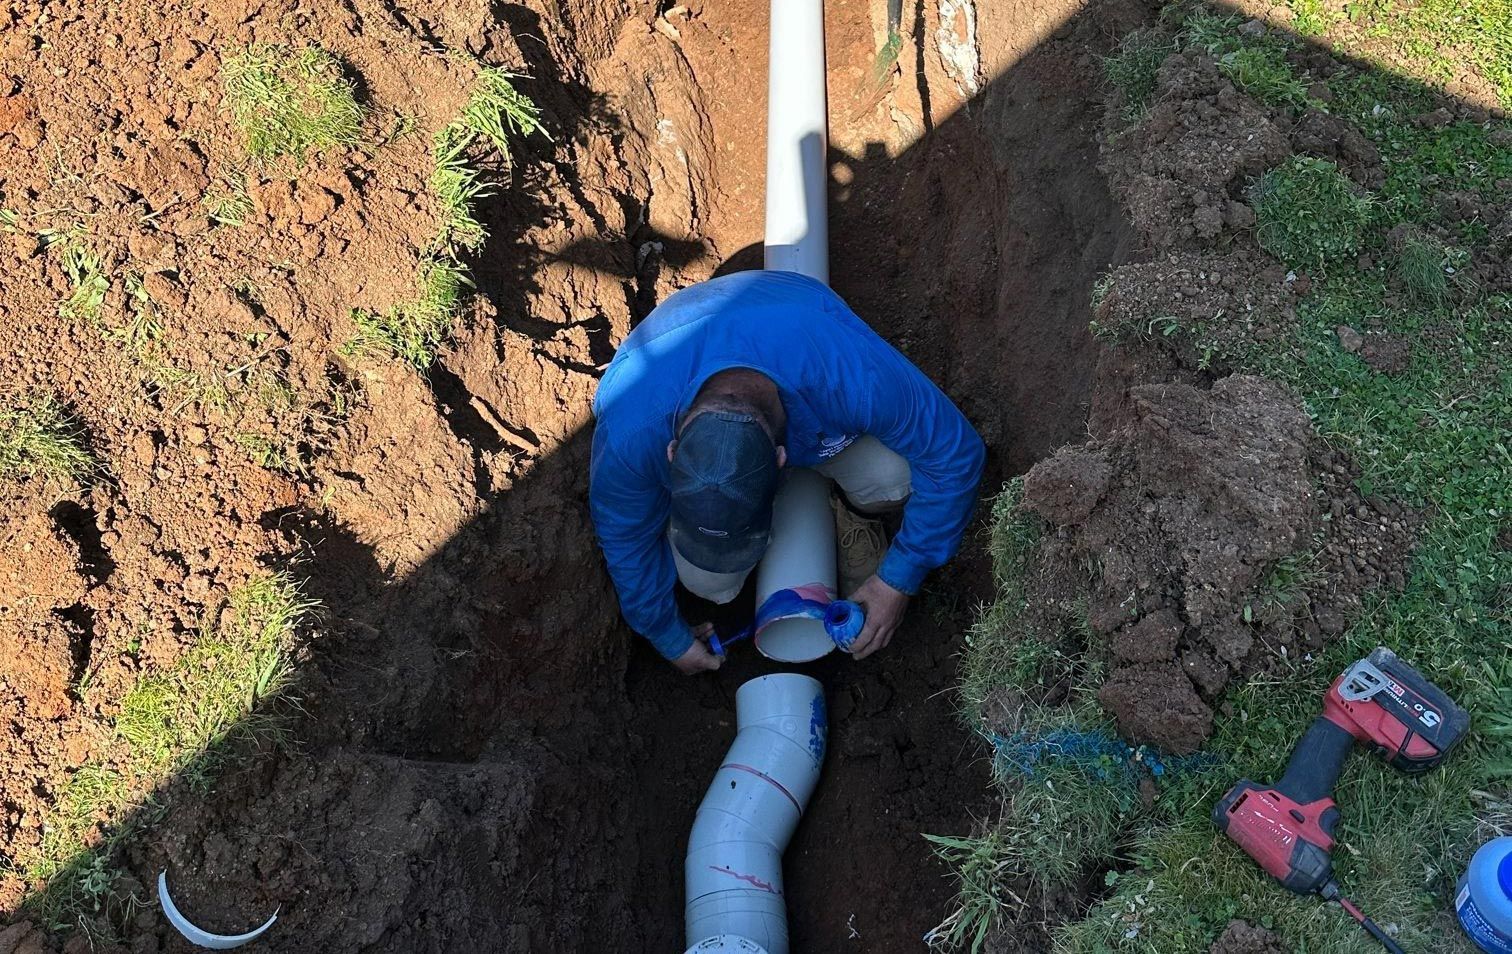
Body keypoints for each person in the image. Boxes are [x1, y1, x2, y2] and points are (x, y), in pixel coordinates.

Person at [590, 269, 985, 674]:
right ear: (671, 452)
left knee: (894, 476)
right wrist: (666, 634)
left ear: (783, 459)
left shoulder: (847, 375)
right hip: (677, 338)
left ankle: (854, 511)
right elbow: (624, 534)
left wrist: (898, 579)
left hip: (793, 316)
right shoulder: (631, 432)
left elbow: (955, 454)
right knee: (711, 584)